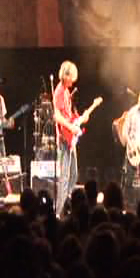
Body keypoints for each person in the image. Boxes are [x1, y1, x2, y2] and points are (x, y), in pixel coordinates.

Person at [52, 61, 81, 216]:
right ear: (66, 75)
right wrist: (70, 127)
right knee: (64, 178)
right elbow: (57, 116)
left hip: (70, 138)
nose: (73, 81)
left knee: (74, 174)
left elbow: (67, 115)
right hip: (64, 139)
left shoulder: (66, 92)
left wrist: (77, 120)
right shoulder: (58, 92)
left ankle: (66, 201)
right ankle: (58, 212)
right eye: (72, 77)